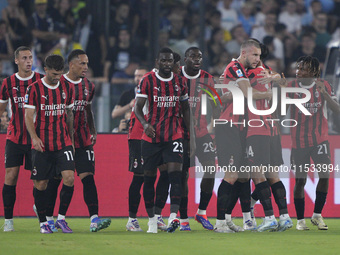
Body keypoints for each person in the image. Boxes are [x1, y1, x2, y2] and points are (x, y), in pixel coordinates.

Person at [38, 49, 111, 232]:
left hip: (83, 138)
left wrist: (92, 130)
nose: (86, 67)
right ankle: (48, 216)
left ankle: (94, 219)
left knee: (88, 177)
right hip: (60, 139)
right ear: (71, 65)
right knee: (55, 180)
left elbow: (87, 109)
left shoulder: (89, 86)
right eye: (82, 63)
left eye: (87, 63)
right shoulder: (58, 83)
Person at [214, 39, 272, 233]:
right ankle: (220, 222)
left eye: (260, 56)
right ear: (245, 53)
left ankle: (228, 218)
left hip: (241, 128)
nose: (258, 59)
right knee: (231, 175)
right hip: (229, 126)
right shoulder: (236, 67)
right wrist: (268, 95)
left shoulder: (242, 70)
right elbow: (248, 94)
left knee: (242, 177)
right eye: (255, 55)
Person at [134, 47, 191, 233]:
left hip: (174, 134)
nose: (167, 64)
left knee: (175, 175)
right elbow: (138, 108)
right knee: (149, 179)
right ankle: (152, 220)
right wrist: (144, 124)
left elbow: (186, 109)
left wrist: (188, 135)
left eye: (170, 61)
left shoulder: (180, 82)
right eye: (164, 61)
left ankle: (173, 217)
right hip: (151, 137)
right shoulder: (147, 80)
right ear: (158, 62)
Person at [126, 55, 181, 232]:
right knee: (140, 176)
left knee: (165, 173)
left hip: (164, 135)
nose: (178, 69)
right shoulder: (149, 81)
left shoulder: (174, 83)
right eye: (177, 66)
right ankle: (132, 218)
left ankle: (157, 216)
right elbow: (139, 108)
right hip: (139, 133)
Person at [285, 56, 340, 230]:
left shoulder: (323, 85)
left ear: (314, 72)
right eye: (298, 68)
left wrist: (324, 94)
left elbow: (336, 109)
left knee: (324, 175)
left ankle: (317, 214)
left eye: (303, 69)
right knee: (300, 181)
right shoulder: (291, 87)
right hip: (298, 141)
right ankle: (300, 220)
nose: (298, 72)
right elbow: (280, 112)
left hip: (320, 139)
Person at [24, 54, 75, 234]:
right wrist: (34, 137)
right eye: (54, 74)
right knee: (41, 184)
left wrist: (71, 138)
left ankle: (61, 218)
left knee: (69, 178)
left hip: (63, 142)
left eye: (60, 74)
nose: (57, 77)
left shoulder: (67, 87)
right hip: (42, 145)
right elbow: (28, 117)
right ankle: (43, 222)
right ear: (45, 69)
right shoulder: (34, 89)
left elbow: (69, 114)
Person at [246, 43, 293, 232]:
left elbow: (245, 94)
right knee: (273, 175)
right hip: (272, 128)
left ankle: (269, 217)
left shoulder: (250, 74)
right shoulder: (270, 73)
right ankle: (285, 217)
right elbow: (283, 90)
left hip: (256, 128)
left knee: (258, 174)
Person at [0, 46, 43, 232]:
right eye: (24, 58)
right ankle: (8, 220)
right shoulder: (8, 83)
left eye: (31, 58)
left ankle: (39, 205)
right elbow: (1, 108)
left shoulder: (41, 80)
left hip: (36, 138)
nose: (28, 61)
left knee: (40, 181)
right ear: (16, 61)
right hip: (15, 137)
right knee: (11, 176)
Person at [178, 47, 217, 231]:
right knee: (183, 175)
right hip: (181, 134)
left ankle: (201, 212)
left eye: (199, 56)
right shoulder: (177, 77)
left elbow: (215, 103)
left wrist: (212, 125)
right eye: (193, 56)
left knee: (210, 169)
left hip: (202, 132)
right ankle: (183, 218)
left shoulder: (207, 78)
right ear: (185, 59)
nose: (197, 59)